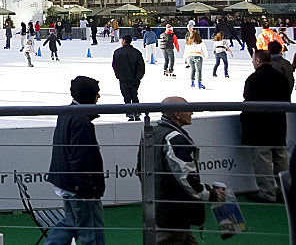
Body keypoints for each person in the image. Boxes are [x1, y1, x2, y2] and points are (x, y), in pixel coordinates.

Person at [137, 97, 225, 243]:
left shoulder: (152, 132)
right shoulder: (175, 138)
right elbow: (187, 179)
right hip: (173, 215)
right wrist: (211, 194)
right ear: (177, 114)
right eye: (188, 109)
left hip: (160, 208)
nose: (191, 112)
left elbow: (140, 170)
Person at [44, 76, 105, 245]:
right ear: (88, 94)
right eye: (96, 93)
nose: (99, 97)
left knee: (72, 223)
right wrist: (87, 188)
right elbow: (79, 156)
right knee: (91, 231)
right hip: (78, 187)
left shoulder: (68, 113)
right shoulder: (80, 120)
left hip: (68, 183)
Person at [241, 50, 291, 202]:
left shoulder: (254, 79)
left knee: (263, 162)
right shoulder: (281, 78)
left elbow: (248, 100)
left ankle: (267, 194)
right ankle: (285, 192)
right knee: (281, 160)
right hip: (279, 126)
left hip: (259, 128)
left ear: (257, 61)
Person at [112, 34, 145, 121]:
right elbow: (141, 66)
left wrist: (119, 76)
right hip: (134, 79)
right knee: (134, 95)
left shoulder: (117, 52)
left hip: (123, 78)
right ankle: (137, 112)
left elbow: (115, 65)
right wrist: (138, 77)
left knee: (126, 96)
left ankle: (129, 112)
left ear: (123, 41)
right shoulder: (136, 52)